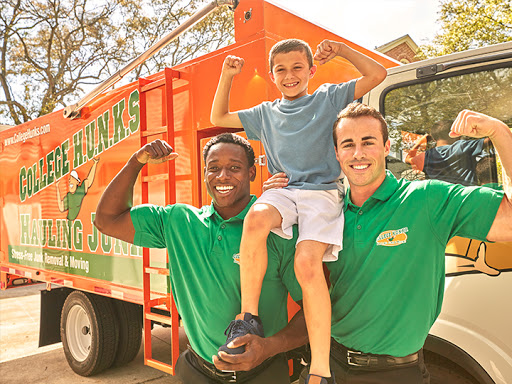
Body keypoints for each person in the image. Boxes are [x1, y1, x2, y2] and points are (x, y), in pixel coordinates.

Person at [266, 104, 512, 384]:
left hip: (396, 374)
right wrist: (276, 202)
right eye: (348, 145)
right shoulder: (325, 212)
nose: (358, 153)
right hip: (329, 365)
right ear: (336, 153)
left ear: (386, 146)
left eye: (368, 142)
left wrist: (500, 133)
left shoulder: (425, 200)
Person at [211, 38, 387, 384]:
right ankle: (248, 316)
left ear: (311, 70)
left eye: (297, 68)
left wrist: (343, 50)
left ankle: (320, 369)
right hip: (285, 190)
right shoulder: (265, 113)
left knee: (307, 263)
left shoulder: (328, 98)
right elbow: (217, 116)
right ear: (271, 75)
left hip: (322, 193)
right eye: (281, 70)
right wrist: (227, 75)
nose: (289, 75)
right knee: (256, 217)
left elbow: (378, 73)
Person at [94, 133, 307, 383]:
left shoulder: (275, 229)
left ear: (251, 173)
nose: (222, 176)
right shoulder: (179, 221)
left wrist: (268, 348)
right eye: (213, 168)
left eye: (234, 168)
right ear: (204, 174)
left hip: (263, 373)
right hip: (197, 371)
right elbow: (107, 220)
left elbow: (314, 309)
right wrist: (135, 162)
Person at [405, 120, 490, 186]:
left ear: (434, 139)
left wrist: (420, 142)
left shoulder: (426, 156)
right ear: (456, 134)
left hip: (442, 201)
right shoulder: (461, 147)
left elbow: (407, 159)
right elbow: (491, 140)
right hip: (465, 198)